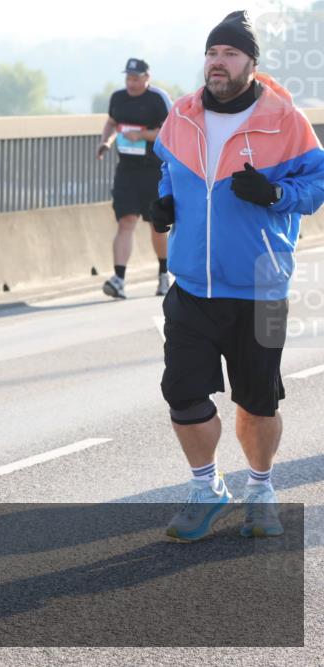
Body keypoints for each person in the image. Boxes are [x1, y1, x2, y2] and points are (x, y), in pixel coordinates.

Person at [151, 10, 324, 541]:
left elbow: (316, 187)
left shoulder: (285, 121)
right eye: (211, 53)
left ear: (251, 62)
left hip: (263, 290)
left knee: (258, 402)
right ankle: (206, 488)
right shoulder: (180, 115)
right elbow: (166, 169)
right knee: (182, 395)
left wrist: (276, 195)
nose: (217, 63)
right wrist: (162, 200)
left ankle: (261, 488)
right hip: (192, 288)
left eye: (228, 53)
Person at [96, 58, 173, 298]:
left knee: (156, 225)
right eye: (128, 78)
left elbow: (168, 132)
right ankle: (118, 279)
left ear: (146, 78)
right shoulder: (118, 98)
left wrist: (142, 134)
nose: (130, 83)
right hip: (127, 170)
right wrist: (105, 142)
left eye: (135, 78)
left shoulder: (157, 99)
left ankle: (163, 274)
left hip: (153, 170)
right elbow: (111, 123)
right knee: (125, 221)